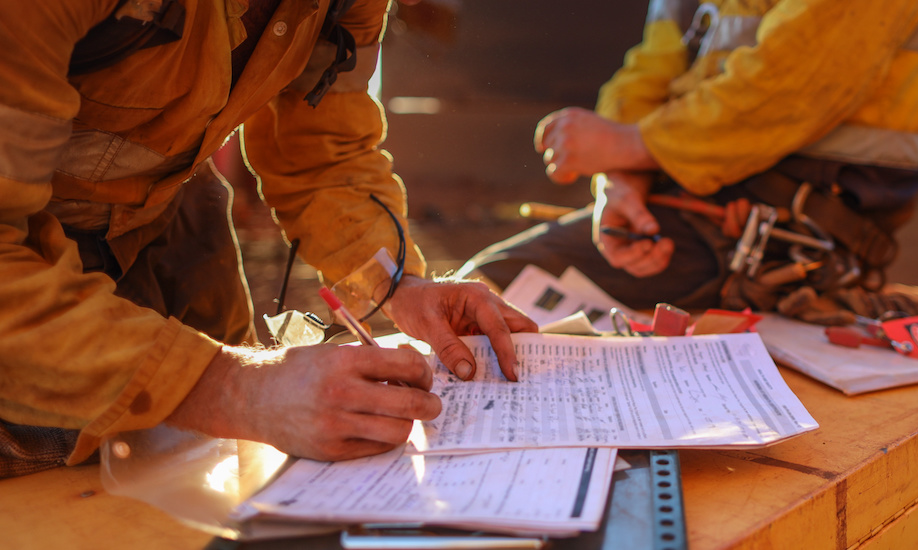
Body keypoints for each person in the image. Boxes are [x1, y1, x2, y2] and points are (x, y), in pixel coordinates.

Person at [0, 0, 537, 478]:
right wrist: (234, 387)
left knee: (206, 472)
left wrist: (398, 286)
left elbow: (322, 152)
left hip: (171, 215)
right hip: (24, 277)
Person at [459, 0, 918, 324]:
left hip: (798, 232)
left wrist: (629, 145)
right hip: (690, 202)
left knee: (489, 292)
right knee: (474, 300)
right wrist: (622, 182)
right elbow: (651, 67)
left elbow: (796, 85)